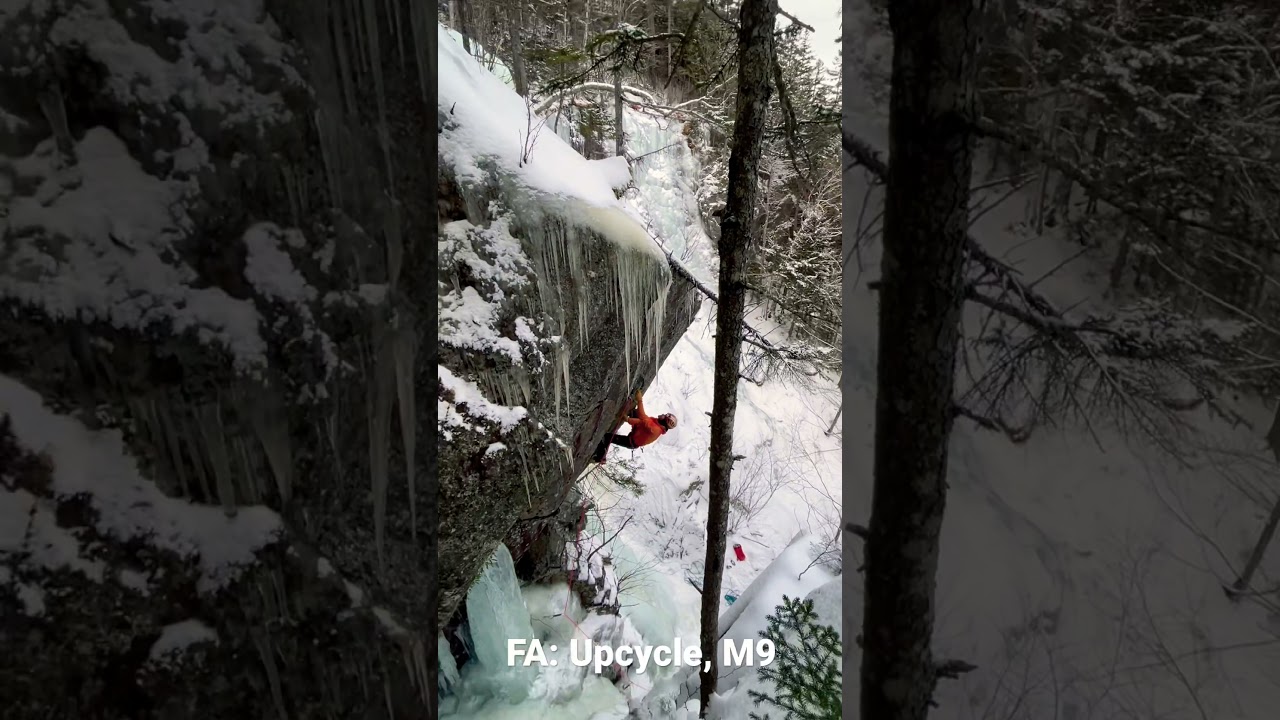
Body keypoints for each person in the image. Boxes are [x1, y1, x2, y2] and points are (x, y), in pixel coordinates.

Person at [593, 389, 676, 462]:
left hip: (631, 441)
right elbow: (642, 419)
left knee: (606, 437)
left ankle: (601, 457)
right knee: (635, 412)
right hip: (636, 433)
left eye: (665, 416)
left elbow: (643, 420)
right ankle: (625, 412)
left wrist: (639, 401)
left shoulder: (655, 429)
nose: (663, 415)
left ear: (665, 421)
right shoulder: (656, 424)